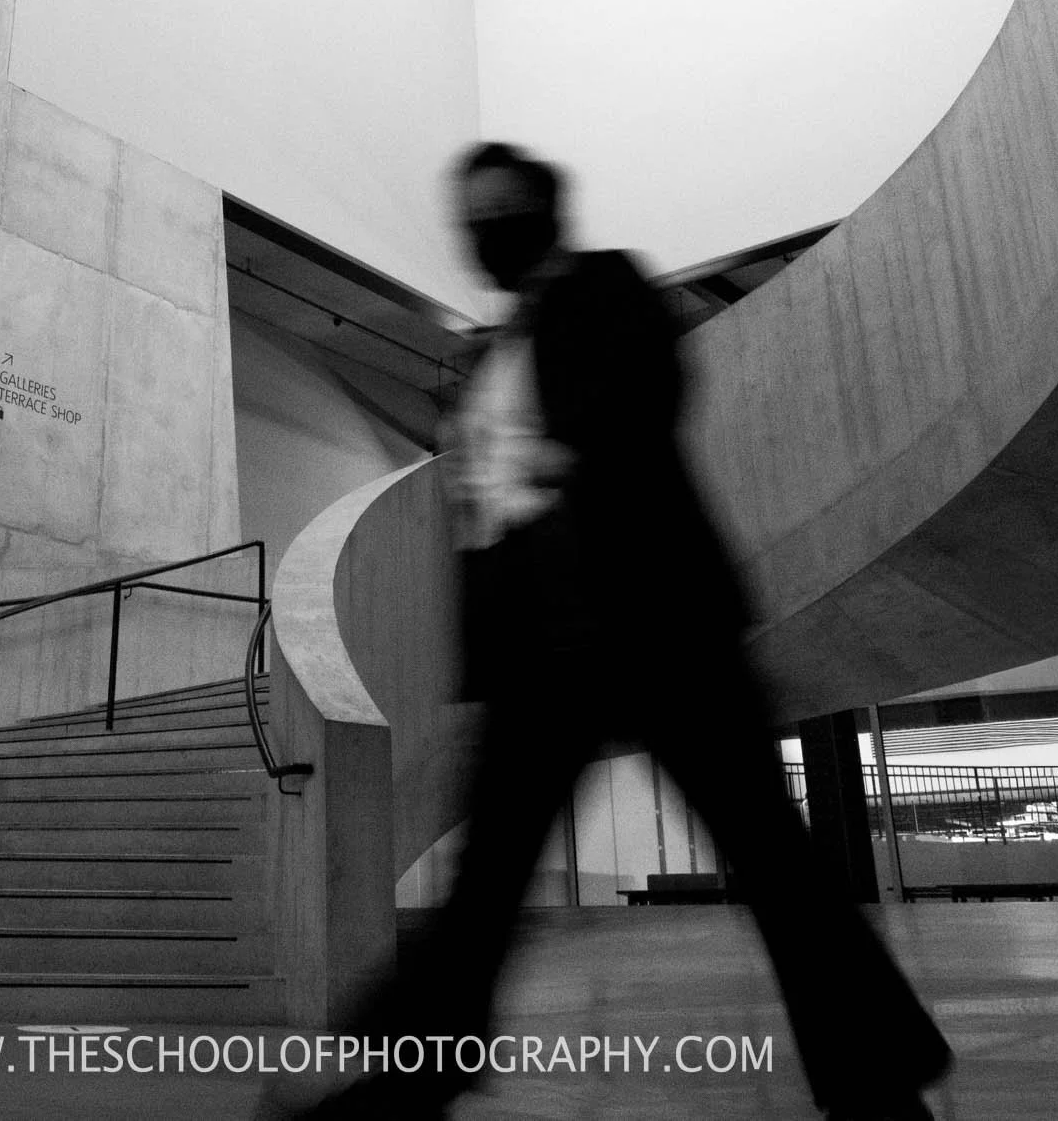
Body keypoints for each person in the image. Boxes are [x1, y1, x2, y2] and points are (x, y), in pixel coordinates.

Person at [276, 142, 952, 1121]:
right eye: (470, 217)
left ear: (543, 212)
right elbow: (484, 526)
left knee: (771, 861)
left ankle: (876, 1081)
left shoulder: (605, 286)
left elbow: (646, 395)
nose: (482, 233)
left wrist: (562, 449)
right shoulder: (485, 352)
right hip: (539, 666)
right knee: (485, 887)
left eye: (499, 212)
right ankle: (412, 1079)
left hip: (660, 632)